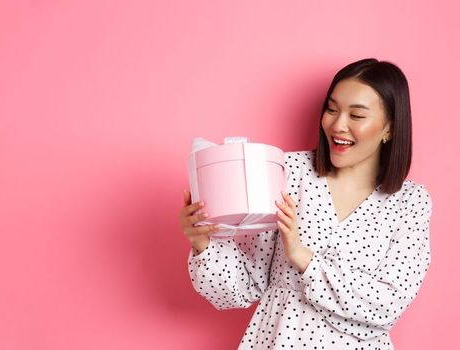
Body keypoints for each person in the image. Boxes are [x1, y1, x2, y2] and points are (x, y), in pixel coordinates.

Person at [181, 58, 432, 349]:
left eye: (357, 115)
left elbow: (387, 304)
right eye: (332, 109)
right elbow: (243, 287)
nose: (337, 125)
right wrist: (204, 245)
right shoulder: (287, 172)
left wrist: (303, 259)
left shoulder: (411, 202)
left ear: (389, 127)